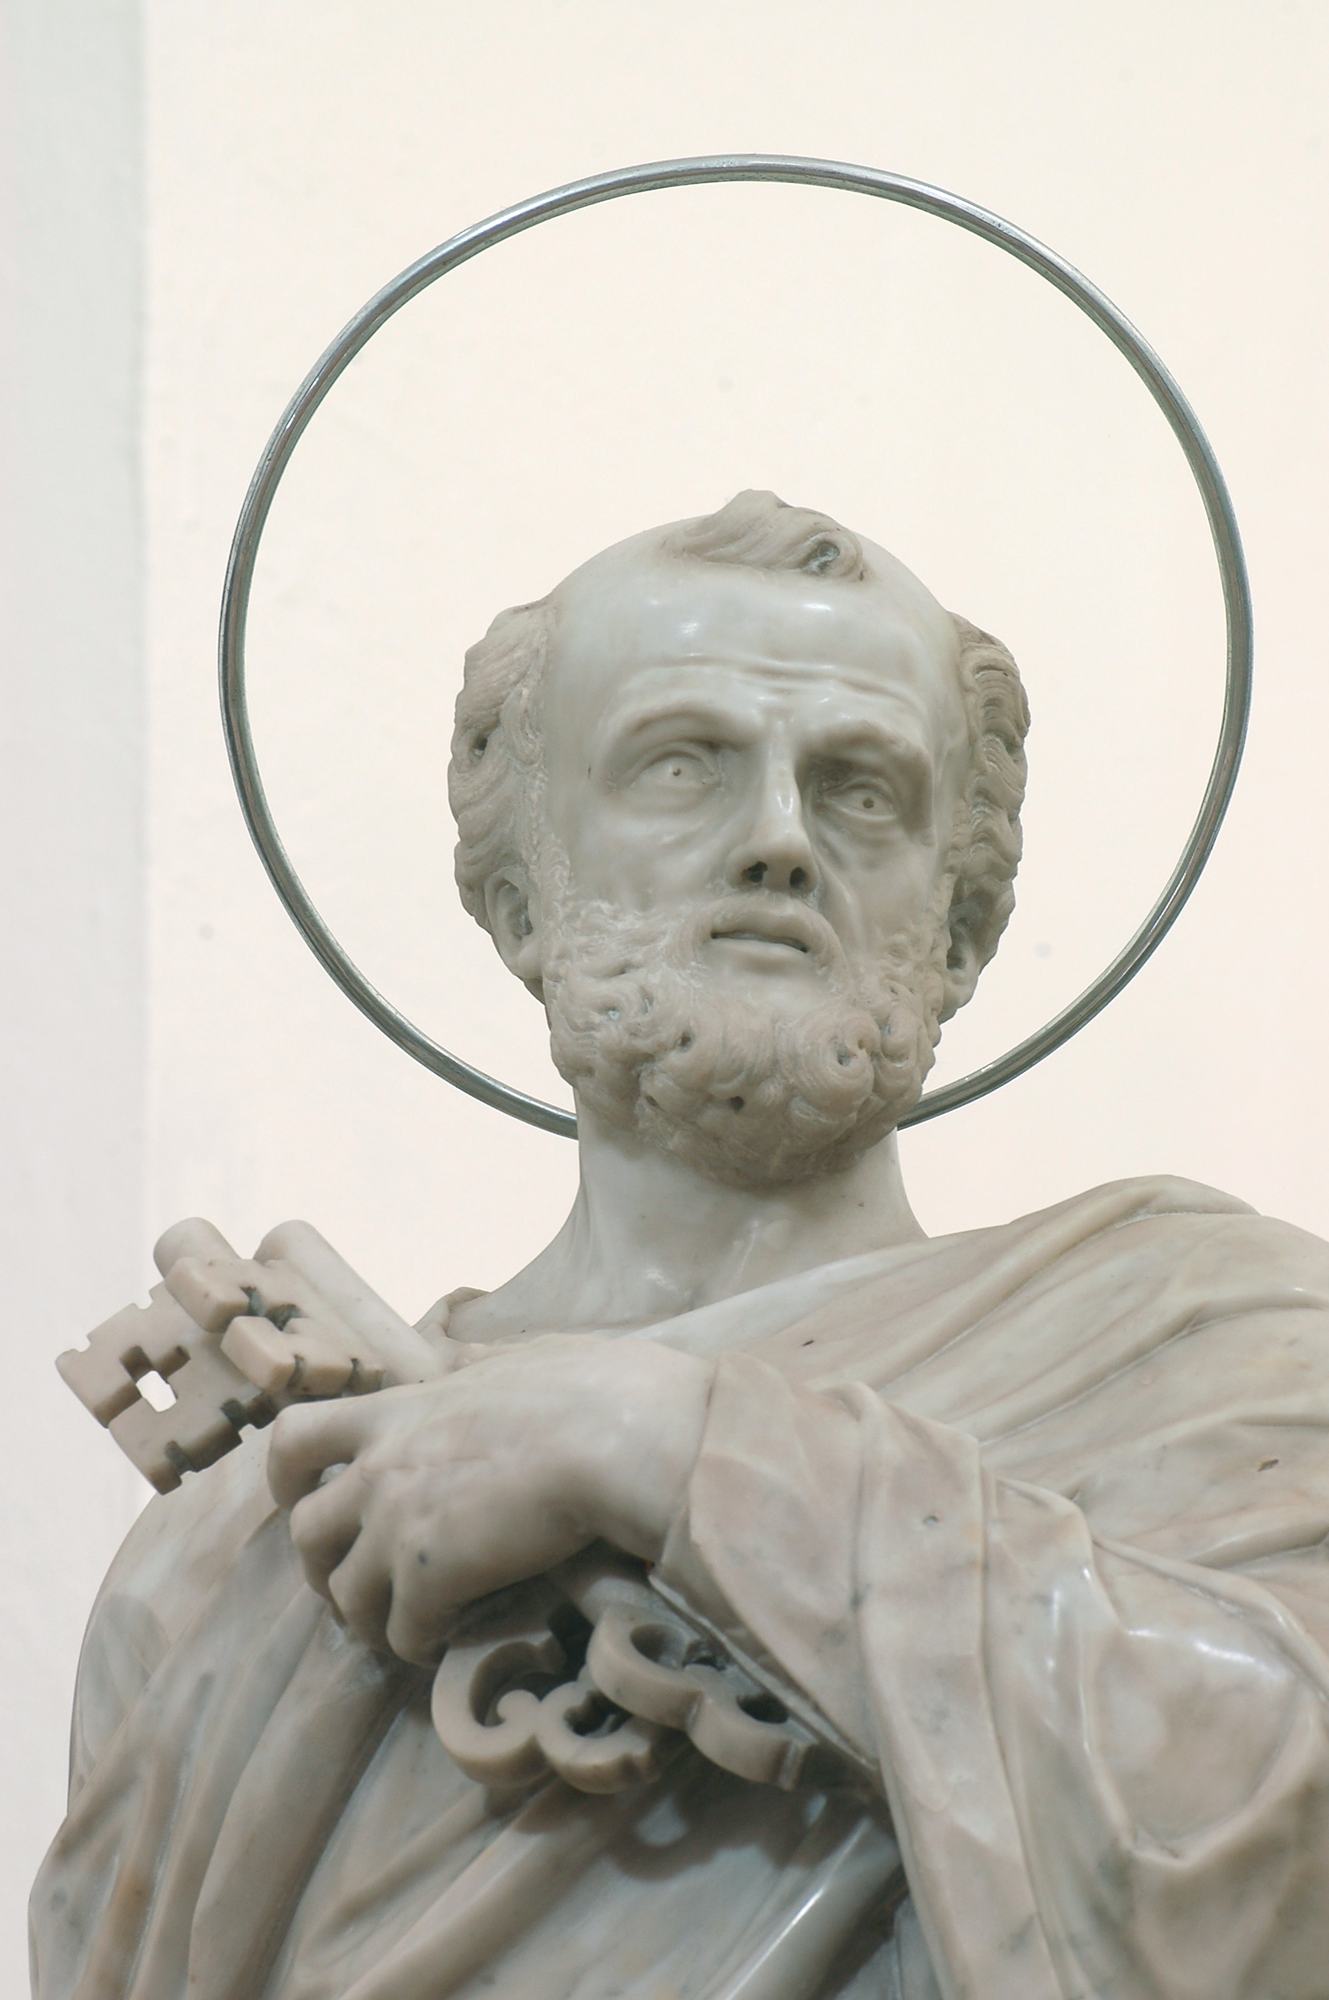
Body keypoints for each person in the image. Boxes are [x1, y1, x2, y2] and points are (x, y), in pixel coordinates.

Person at [32, 492, 1329, 1999]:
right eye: (680, 766)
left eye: (860, 791)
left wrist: (677, 1452)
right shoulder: (229, 1559)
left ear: (964, 927)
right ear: (518, 897)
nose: (777, 839)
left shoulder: (1205, 1356)